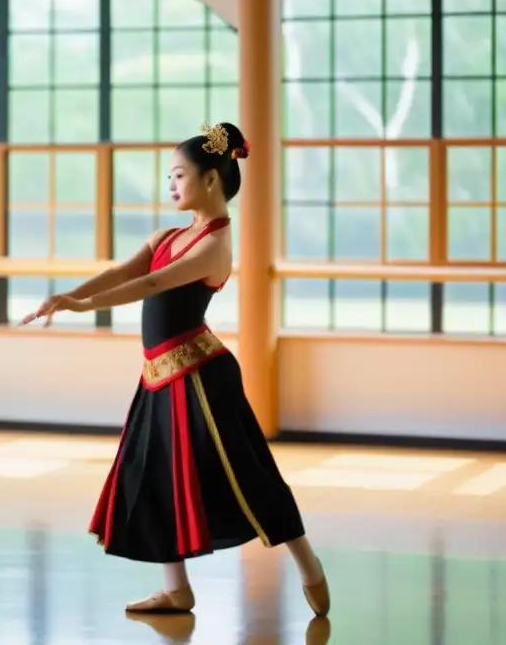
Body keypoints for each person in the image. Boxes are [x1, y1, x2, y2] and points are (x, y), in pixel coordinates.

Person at [21, 122, 330, 616]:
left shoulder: (213, 246)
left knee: (249, 475)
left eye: (180, 175)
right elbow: (127, 272)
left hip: (203, 378)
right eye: (169, 176)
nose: (171, 185)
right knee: (157, 477)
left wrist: (84, 307)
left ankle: (309, 564)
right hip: (159, 375)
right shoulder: (169, 234)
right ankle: (177, 589)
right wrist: (69, 295)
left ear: (211, 179)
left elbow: (151, 286)